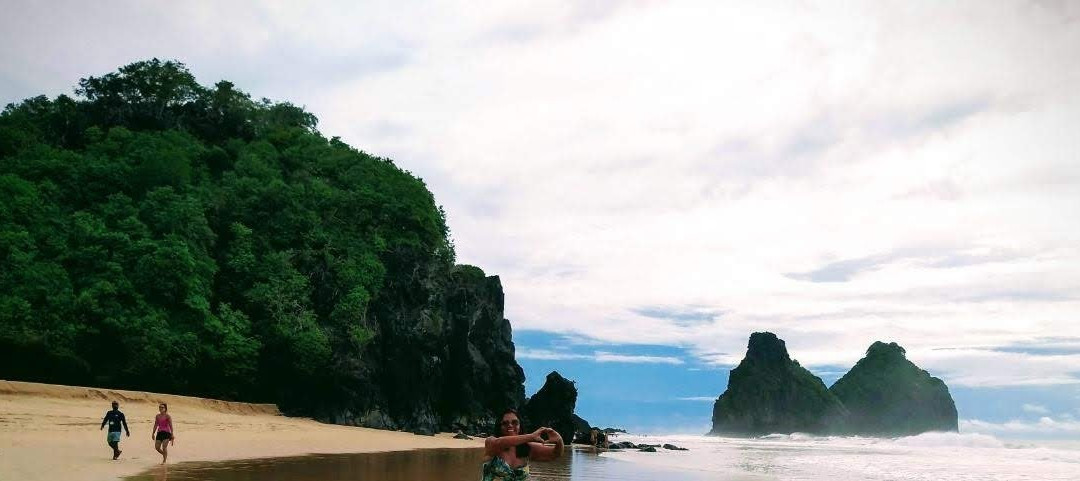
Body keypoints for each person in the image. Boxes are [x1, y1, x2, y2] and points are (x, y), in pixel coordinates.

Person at [482, 408, 563, 480]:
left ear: (520, 426)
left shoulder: (527, 447)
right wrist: (531, 436)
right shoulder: (491, 442)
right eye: (505, 423)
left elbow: (555, 453)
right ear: (499, 427)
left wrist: (559, 441)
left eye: (515, 422)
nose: (510, 425)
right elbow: (498, 442)